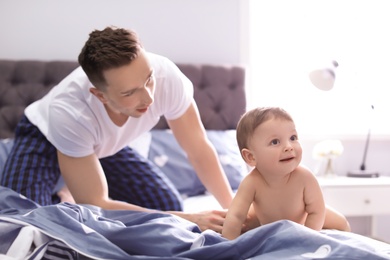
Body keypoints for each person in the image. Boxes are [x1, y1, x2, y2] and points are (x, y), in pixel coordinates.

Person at [1, 26, 233, 232]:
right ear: (100, 95)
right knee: (27, 223)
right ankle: (65, 193)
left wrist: (233, 210)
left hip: (100, 146)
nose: (149, 97)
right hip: (44, 137)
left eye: (148, 79)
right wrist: (190, 219)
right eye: (129, 92)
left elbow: (199, 150)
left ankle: (71, 189)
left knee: (167, 206)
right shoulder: (70, 112)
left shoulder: (167, 76)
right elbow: (95, 203)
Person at [222, 107, 350, 240]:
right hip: (267, 219)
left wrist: (307, 238)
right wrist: (227, 245)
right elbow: (236, 215)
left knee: (342, 223)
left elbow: (317, 211)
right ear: (251, 157)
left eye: (293, 137)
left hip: (305, 214)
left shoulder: (304, 177)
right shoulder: (251, 182)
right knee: (245, 222)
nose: (289, 146)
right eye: (275, 142)